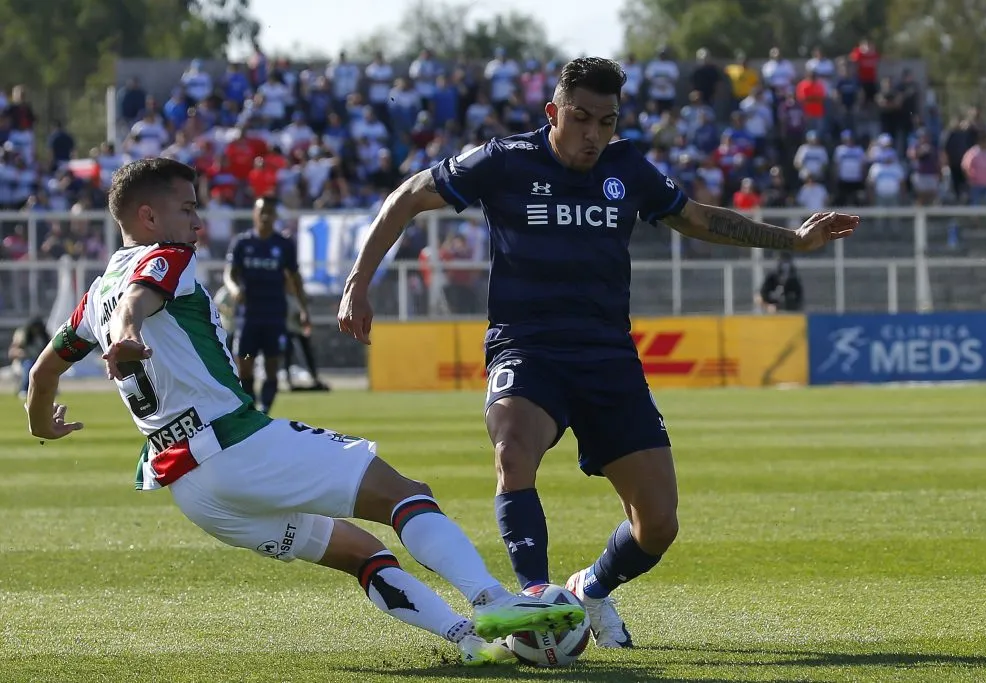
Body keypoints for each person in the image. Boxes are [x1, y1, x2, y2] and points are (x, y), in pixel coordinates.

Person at [338, 57, 859, 648]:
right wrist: (358, 282)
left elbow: (696, 219)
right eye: (581, 118)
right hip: (527, 347)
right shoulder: (504, 160)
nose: (593, 134)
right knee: (514, 450)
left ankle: (590, 588)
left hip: (608, 357)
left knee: (658, 526)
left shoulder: (626, 166)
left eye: (606, 122)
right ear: (553, 113)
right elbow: (408, 195)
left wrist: (794, 240)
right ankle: (535, 600)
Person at [23, 158, 584, 667]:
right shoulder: (167, 258)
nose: (198, 223)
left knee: (360, 552)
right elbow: (137, 301)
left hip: (193, 490)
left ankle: (465, 639)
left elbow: (41, 373)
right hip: (236, 446)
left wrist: (40, 420)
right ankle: (493, 599)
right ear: (148, 216)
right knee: (405, 494)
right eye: (188, 209)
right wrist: (127, 331)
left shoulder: (92, 297)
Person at [223, 196, 309, 414]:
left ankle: (265, 411)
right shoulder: (242, 243)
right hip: (248, 317)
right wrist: (234, 289)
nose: (265, 216)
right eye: (262, 211)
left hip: (274, 316)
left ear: (275, 216)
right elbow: (229, 274)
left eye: (270, 212)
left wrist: (303, 309)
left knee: (272, 367)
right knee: (245, 365)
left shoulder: (283, 245)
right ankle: (251, 409)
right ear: (254, 214)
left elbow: (295, 278)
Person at [8, 317, 49, 399]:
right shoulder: (23, 335)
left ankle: (48, 389)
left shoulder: (44, 336)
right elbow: (12, 352)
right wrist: (21, 353)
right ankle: (24, 389)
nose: (36, 330)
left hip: (40, 361)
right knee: (29, 366)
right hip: (24, 361)